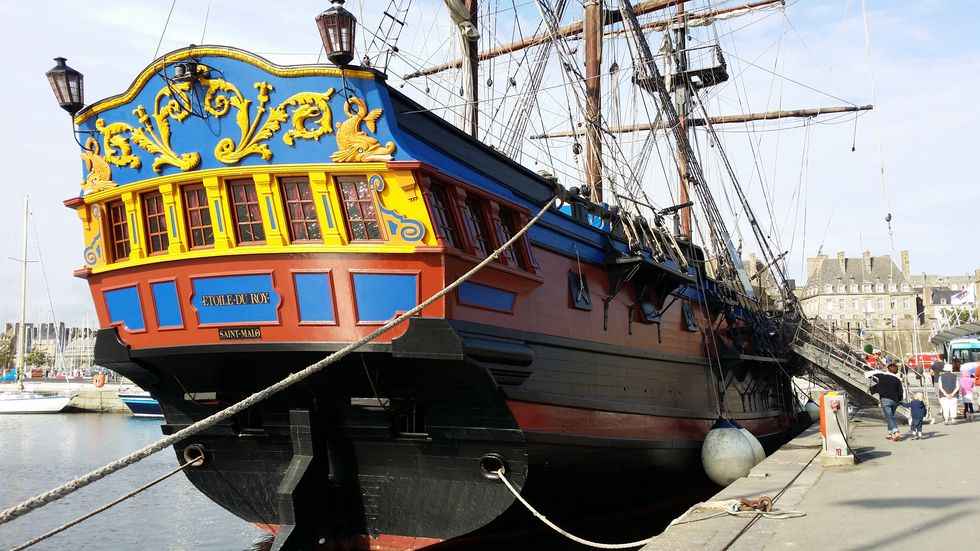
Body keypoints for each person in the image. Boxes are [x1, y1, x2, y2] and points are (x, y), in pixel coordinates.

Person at [870, 362, 904, 440]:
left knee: (889, 416)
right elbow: (900, 392)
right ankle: (890, 433)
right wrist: (900, 400)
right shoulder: (897, 380)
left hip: (885, 399)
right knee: (890, 416)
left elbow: (878, 387)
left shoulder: (882, 377)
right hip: (895, 401)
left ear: (888, 369)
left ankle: (896, 431)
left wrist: (871, 390)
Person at [938, 360, 961, 425]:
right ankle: (953, 419)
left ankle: (946, 420)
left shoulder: (941, 377)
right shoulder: (955, 376)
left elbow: (940, 387)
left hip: (943, 395)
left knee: (945, 407)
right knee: (953, 407)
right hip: (953, 395)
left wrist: (946, 394)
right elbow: (957, 387)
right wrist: (952, 394)